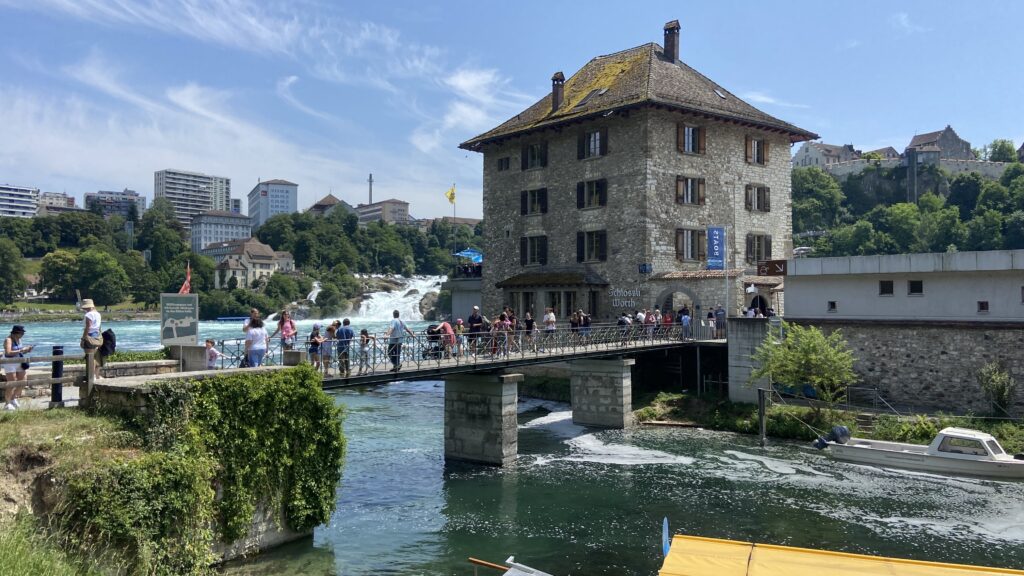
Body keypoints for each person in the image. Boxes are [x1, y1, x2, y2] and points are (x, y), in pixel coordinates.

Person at [3, 326, 34, 411]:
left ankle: (13, 399)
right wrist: (21, 350)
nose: (23, 334)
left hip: (18, 360)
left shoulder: (19, 340)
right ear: (16, 333)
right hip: (9, 362)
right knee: (12, 382)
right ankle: (7, 403)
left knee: (23, 381)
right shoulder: (8, 340)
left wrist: (27, 350)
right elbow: (8, 352)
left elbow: (19, 351)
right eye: (21, 333)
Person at [79, 298, 103, 380]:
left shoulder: (88, 315)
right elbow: (98, 327)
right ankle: (94, 375)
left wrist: (83, 338)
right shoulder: (98, 314)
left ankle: (91, 376)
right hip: (96, 335)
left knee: (89, 357)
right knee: (94, 356)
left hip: (90, 335)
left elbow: (88, 327)